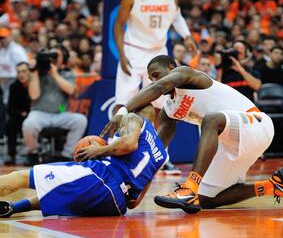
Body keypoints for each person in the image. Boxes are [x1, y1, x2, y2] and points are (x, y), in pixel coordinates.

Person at [102, 55, 283, 213]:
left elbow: (159, 87)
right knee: (207, 200)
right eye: (151, 77)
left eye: (156, 74)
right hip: (232, 141)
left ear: (171, 68)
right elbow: (157, 152)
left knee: (211, 119)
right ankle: (273, 186)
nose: (154, 80)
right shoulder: (169, 110)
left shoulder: (187, 74)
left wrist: (122, 111)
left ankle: (189, 186)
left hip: (257, 125)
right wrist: (137, 192)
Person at [0, 105, 168, 218]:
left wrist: (99, 150)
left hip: (102, 176)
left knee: (23, 176)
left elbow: (129, 144)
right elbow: (134, 202)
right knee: (61, 192)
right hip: (116, 204)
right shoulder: (161, 153)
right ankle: (14, 207)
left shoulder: (134, 118)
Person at [114, 0, 196, 174]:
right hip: (133, 50)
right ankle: (118, 148)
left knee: (162, 107)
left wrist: (186, 36)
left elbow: (176, 16)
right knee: (123, 102)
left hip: (158, 52)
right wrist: (121, 55)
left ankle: (160, 154)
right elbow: (118, 24)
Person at [22, 44, 88, 165]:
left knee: (80, 120)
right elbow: (34, 96)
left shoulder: (67, 74)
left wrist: (54, 74)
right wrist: (34, 71)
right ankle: (33, 153)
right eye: (51, 55)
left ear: (63, 59)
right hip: (40, 113)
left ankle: (66, 154)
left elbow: (71, 91)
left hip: (61, 113)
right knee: (29, 124)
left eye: (56, 55)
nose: (53, 58)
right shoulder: (38, 73)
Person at [4, 62, 31, 165]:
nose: (21, 74)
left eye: (24, 71)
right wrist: (21, 113)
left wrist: (27, 113)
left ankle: (31, 154)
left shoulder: (35, 84)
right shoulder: (14, 86)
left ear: (29, 72)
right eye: (18, 72)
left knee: (30, 122)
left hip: (32, 115)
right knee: (11, 124)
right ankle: (11, 154)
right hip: (18, 116)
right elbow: (10, 107)